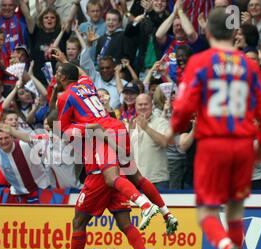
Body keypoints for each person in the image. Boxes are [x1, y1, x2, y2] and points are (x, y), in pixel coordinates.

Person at [166, 8, 261, 249]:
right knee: (235, 212)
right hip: (242, 146)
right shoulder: (250, 66)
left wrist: (174, 129)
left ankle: (226, 247)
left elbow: (184, 107)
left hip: (213, 145)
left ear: (208, 32)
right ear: (233, 33)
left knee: (206, 213)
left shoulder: (200, 62)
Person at [52, 55, 178, 234]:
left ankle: (144, 205)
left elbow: (63, 130)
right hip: (116, 126)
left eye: (58, 73)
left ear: (63, 78)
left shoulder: (65, 96)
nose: (55, 76)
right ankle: (167, 214)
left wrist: (86, 128)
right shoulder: (87, 83)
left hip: (103, 132)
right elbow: (81, 72)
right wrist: (66, 61)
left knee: (111, 177)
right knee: (136, 177)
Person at [0, 130, 51, 203]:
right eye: (0, 139)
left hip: (42, 189)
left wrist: (16, 132)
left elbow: (46, 138)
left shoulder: (25, 144)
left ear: (12, 138)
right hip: (19, 194)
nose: (3, 141)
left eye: (6, 138)